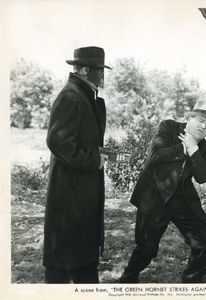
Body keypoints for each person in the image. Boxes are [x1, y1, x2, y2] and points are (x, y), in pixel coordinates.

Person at [118, 100, 206, 283]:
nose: (204, 126)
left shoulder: (204, 147)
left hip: (182, 199)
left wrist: (193, 148)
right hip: (155, 195)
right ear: (189, 118)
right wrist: (183, 147)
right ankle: (127, 279)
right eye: (201, 120)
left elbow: (202, 177)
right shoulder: (169, 127)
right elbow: (154, 156)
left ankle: (191, 283)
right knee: (146, 248)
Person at [43, 46, 111, 283]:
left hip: (79, 194)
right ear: (82, 70)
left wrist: (101, 154)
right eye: (97, 70)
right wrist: (94, 159)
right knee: (62, 265)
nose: (102, 76)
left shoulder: (84, 95)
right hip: (69, 194)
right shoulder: (72, 97)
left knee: (80, 257)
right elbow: (58, 141)